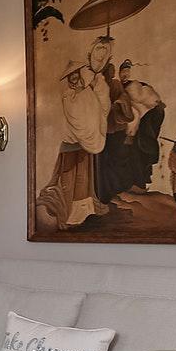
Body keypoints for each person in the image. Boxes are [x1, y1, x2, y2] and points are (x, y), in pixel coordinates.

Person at [36, 36, 114, 229]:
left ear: (79, 75)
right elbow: (76, 114)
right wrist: (87, 95)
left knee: (83, 180)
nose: (73, 79)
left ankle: (83, 212)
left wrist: (99, 86)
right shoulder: (69, 95)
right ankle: (68, 214)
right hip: (70, 143)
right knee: (68, 179)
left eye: (75, 76)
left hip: (84, 144)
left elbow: (101, 108)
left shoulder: (87, 91)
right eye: (71, 77)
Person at [97, 59, 165, 203]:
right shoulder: (113, 86)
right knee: (120, 157)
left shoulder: (135, 85)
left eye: (127, 71)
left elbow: (148, 103)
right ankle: (120, 187)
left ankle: (136, 185)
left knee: (136, 156)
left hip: (136, 130)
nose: (125, 74)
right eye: (123, 71)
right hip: (119, 128)